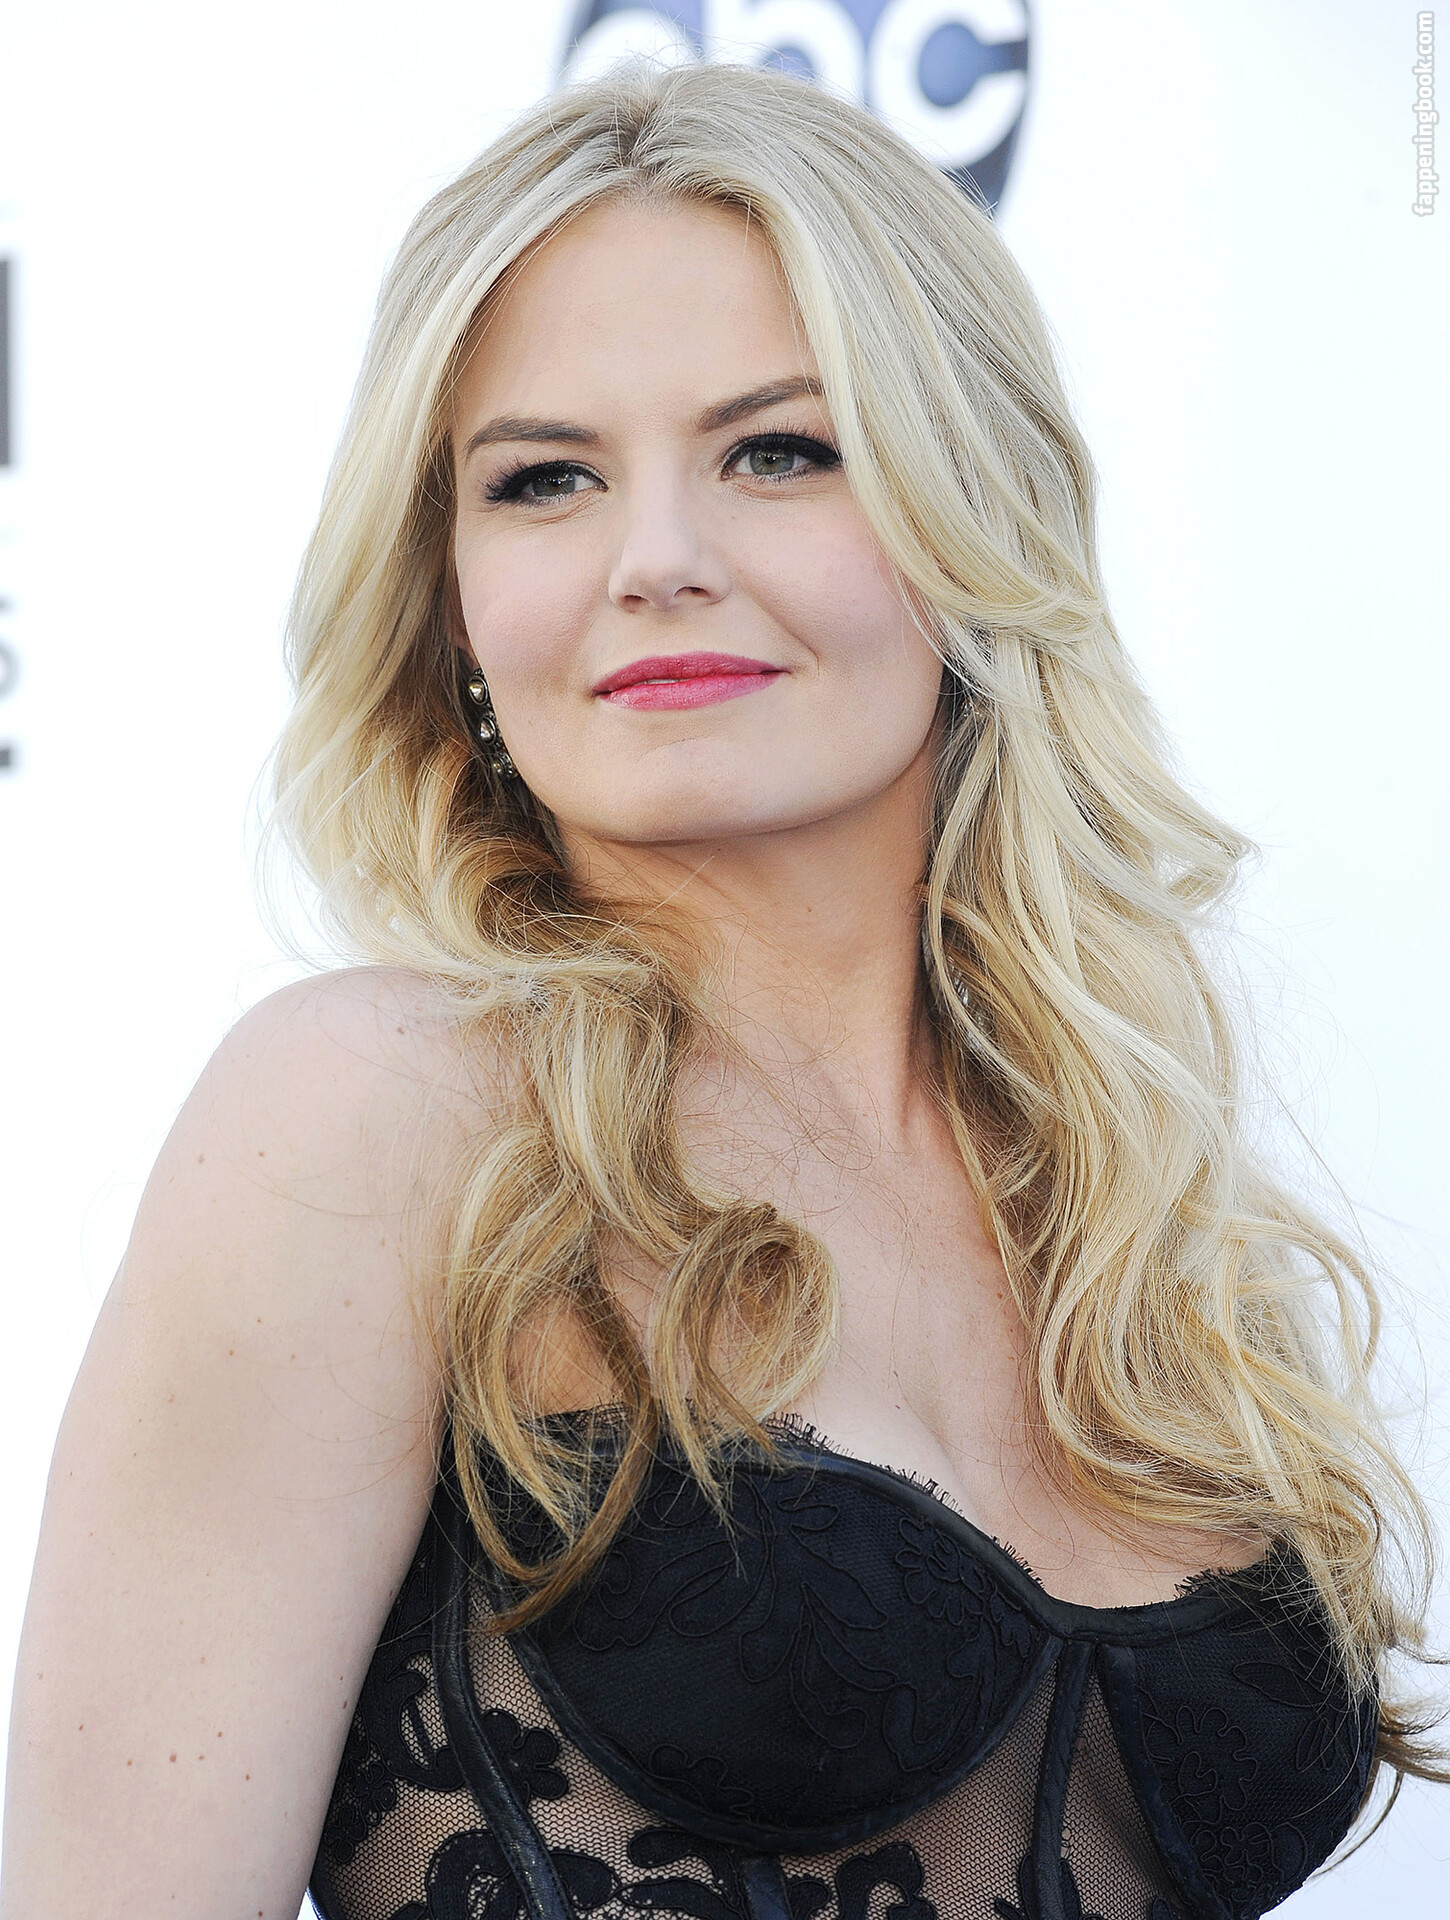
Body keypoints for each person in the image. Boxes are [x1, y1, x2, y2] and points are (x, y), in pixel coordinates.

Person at [1, 59, 1441, 1920]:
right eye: (544, 480)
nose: (657, 560)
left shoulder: (1114, 1193)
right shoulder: (385, 1113)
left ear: (966, 507)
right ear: (452, 600)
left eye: (776, 452)